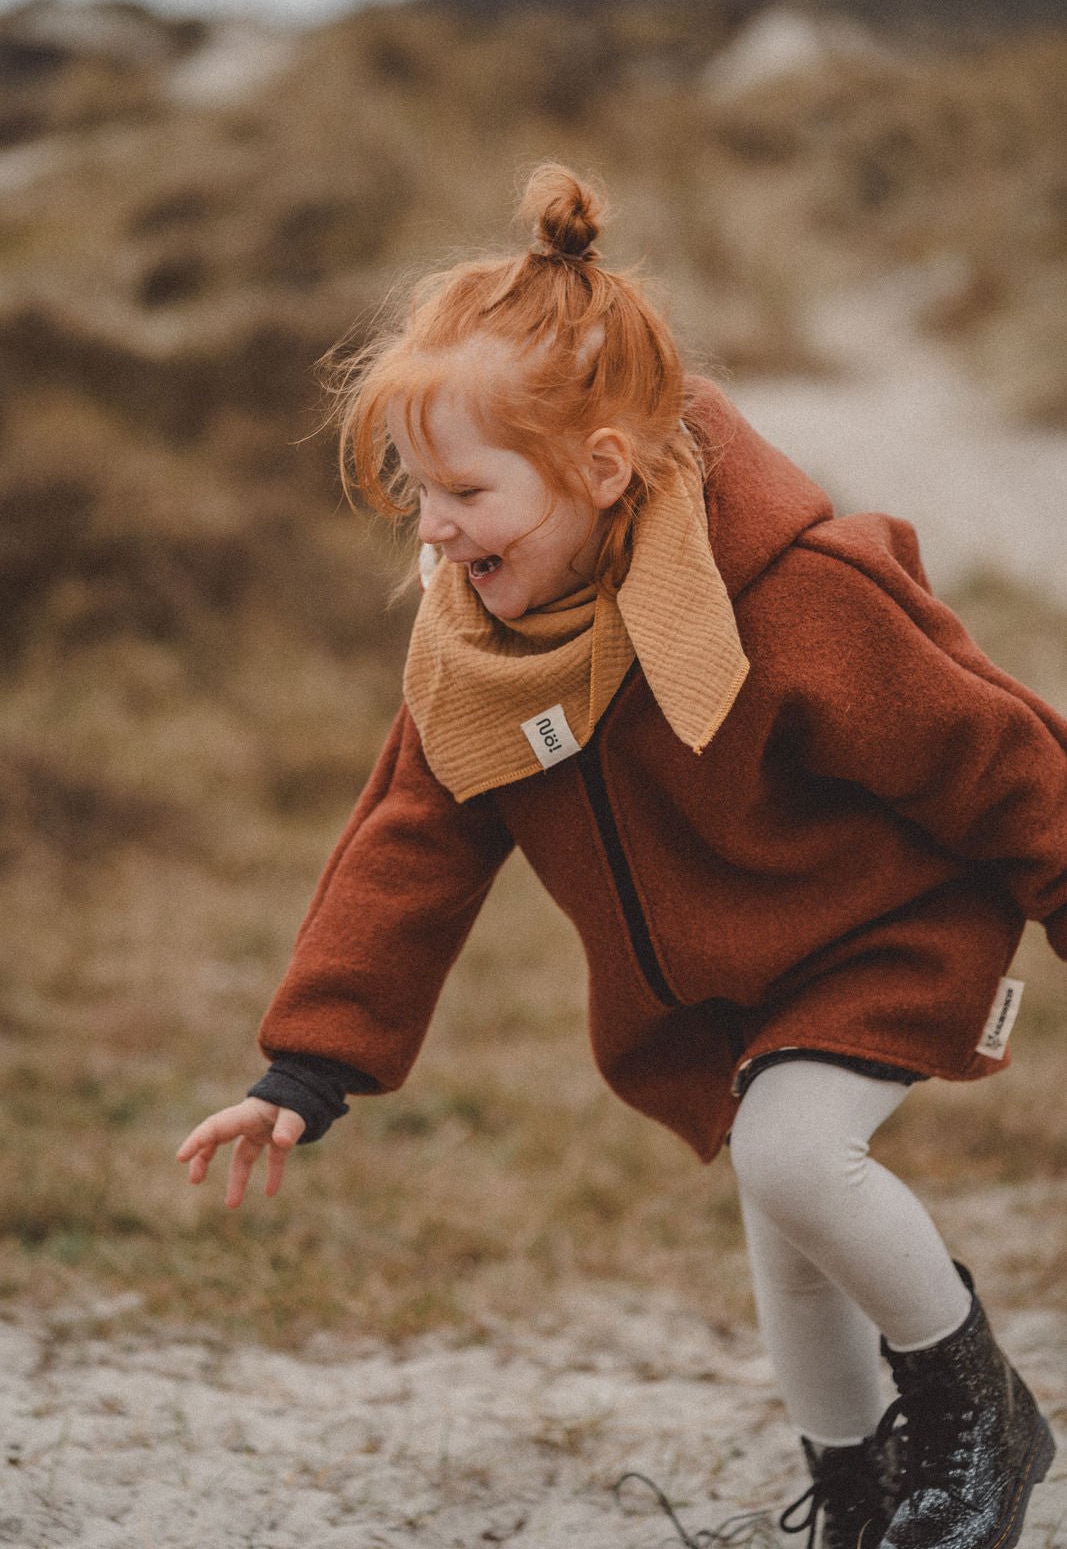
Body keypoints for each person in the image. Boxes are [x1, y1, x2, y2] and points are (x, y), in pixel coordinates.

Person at [178, 164, 1066, 1549]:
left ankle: (979, 1421)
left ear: (600, 470)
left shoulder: (789, 594)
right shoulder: (478, 656)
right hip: (736, 980)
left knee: (792, 1159)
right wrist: (309, 1064)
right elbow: (412, 843)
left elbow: (988, 749)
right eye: (416, 492)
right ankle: (854, 1494)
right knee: (787, 1222)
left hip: (885, 929)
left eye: (468, 488)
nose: (435, 526)